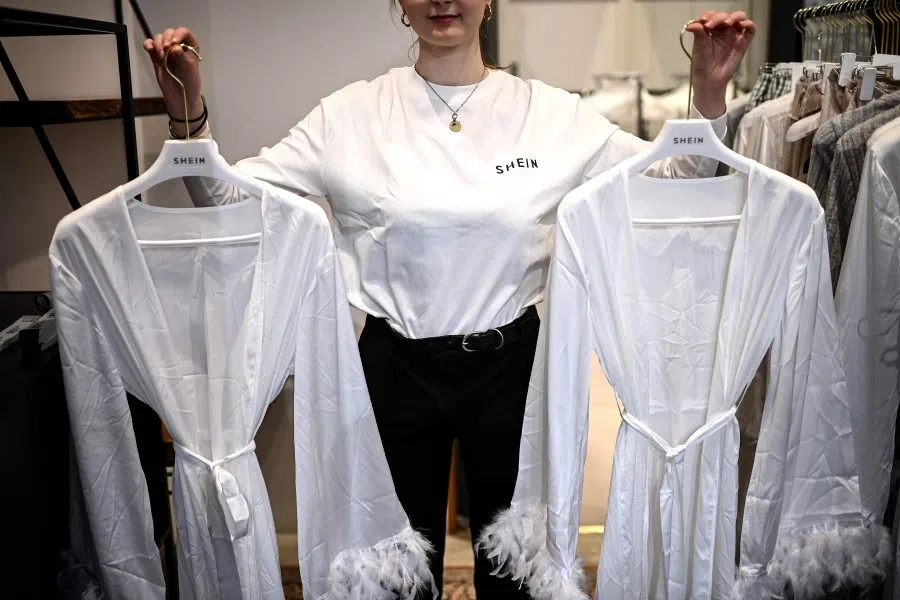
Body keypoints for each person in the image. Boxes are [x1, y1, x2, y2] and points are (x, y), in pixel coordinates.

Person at [143, 2, 754, 597]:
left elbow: (676, 181)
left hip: (512, 367)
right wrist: (187, 114)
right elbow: (227, 203)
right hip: (394, 368)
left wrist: (706, 95)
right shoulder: (350, 115)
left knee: (516, 567)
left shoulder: (548, 115)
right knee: (394, 573)